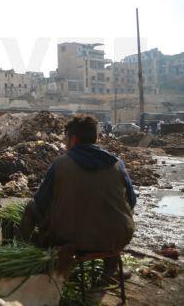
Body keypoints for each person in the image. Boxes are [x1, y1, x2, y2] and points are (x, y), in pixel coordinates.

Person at [15, 114, 136, 275]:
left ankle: (22, 254)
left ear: (74, 139)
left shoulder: (60, 164)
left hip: (70, 239)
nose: (65, 143)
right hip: (116, 238)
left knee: (31, 206)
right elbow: (132, 201)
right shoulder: (116, 164)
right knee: (114, 215)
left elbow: (40, 202)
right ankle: (111, 269)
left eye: (67, 139)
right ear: (96, 138)